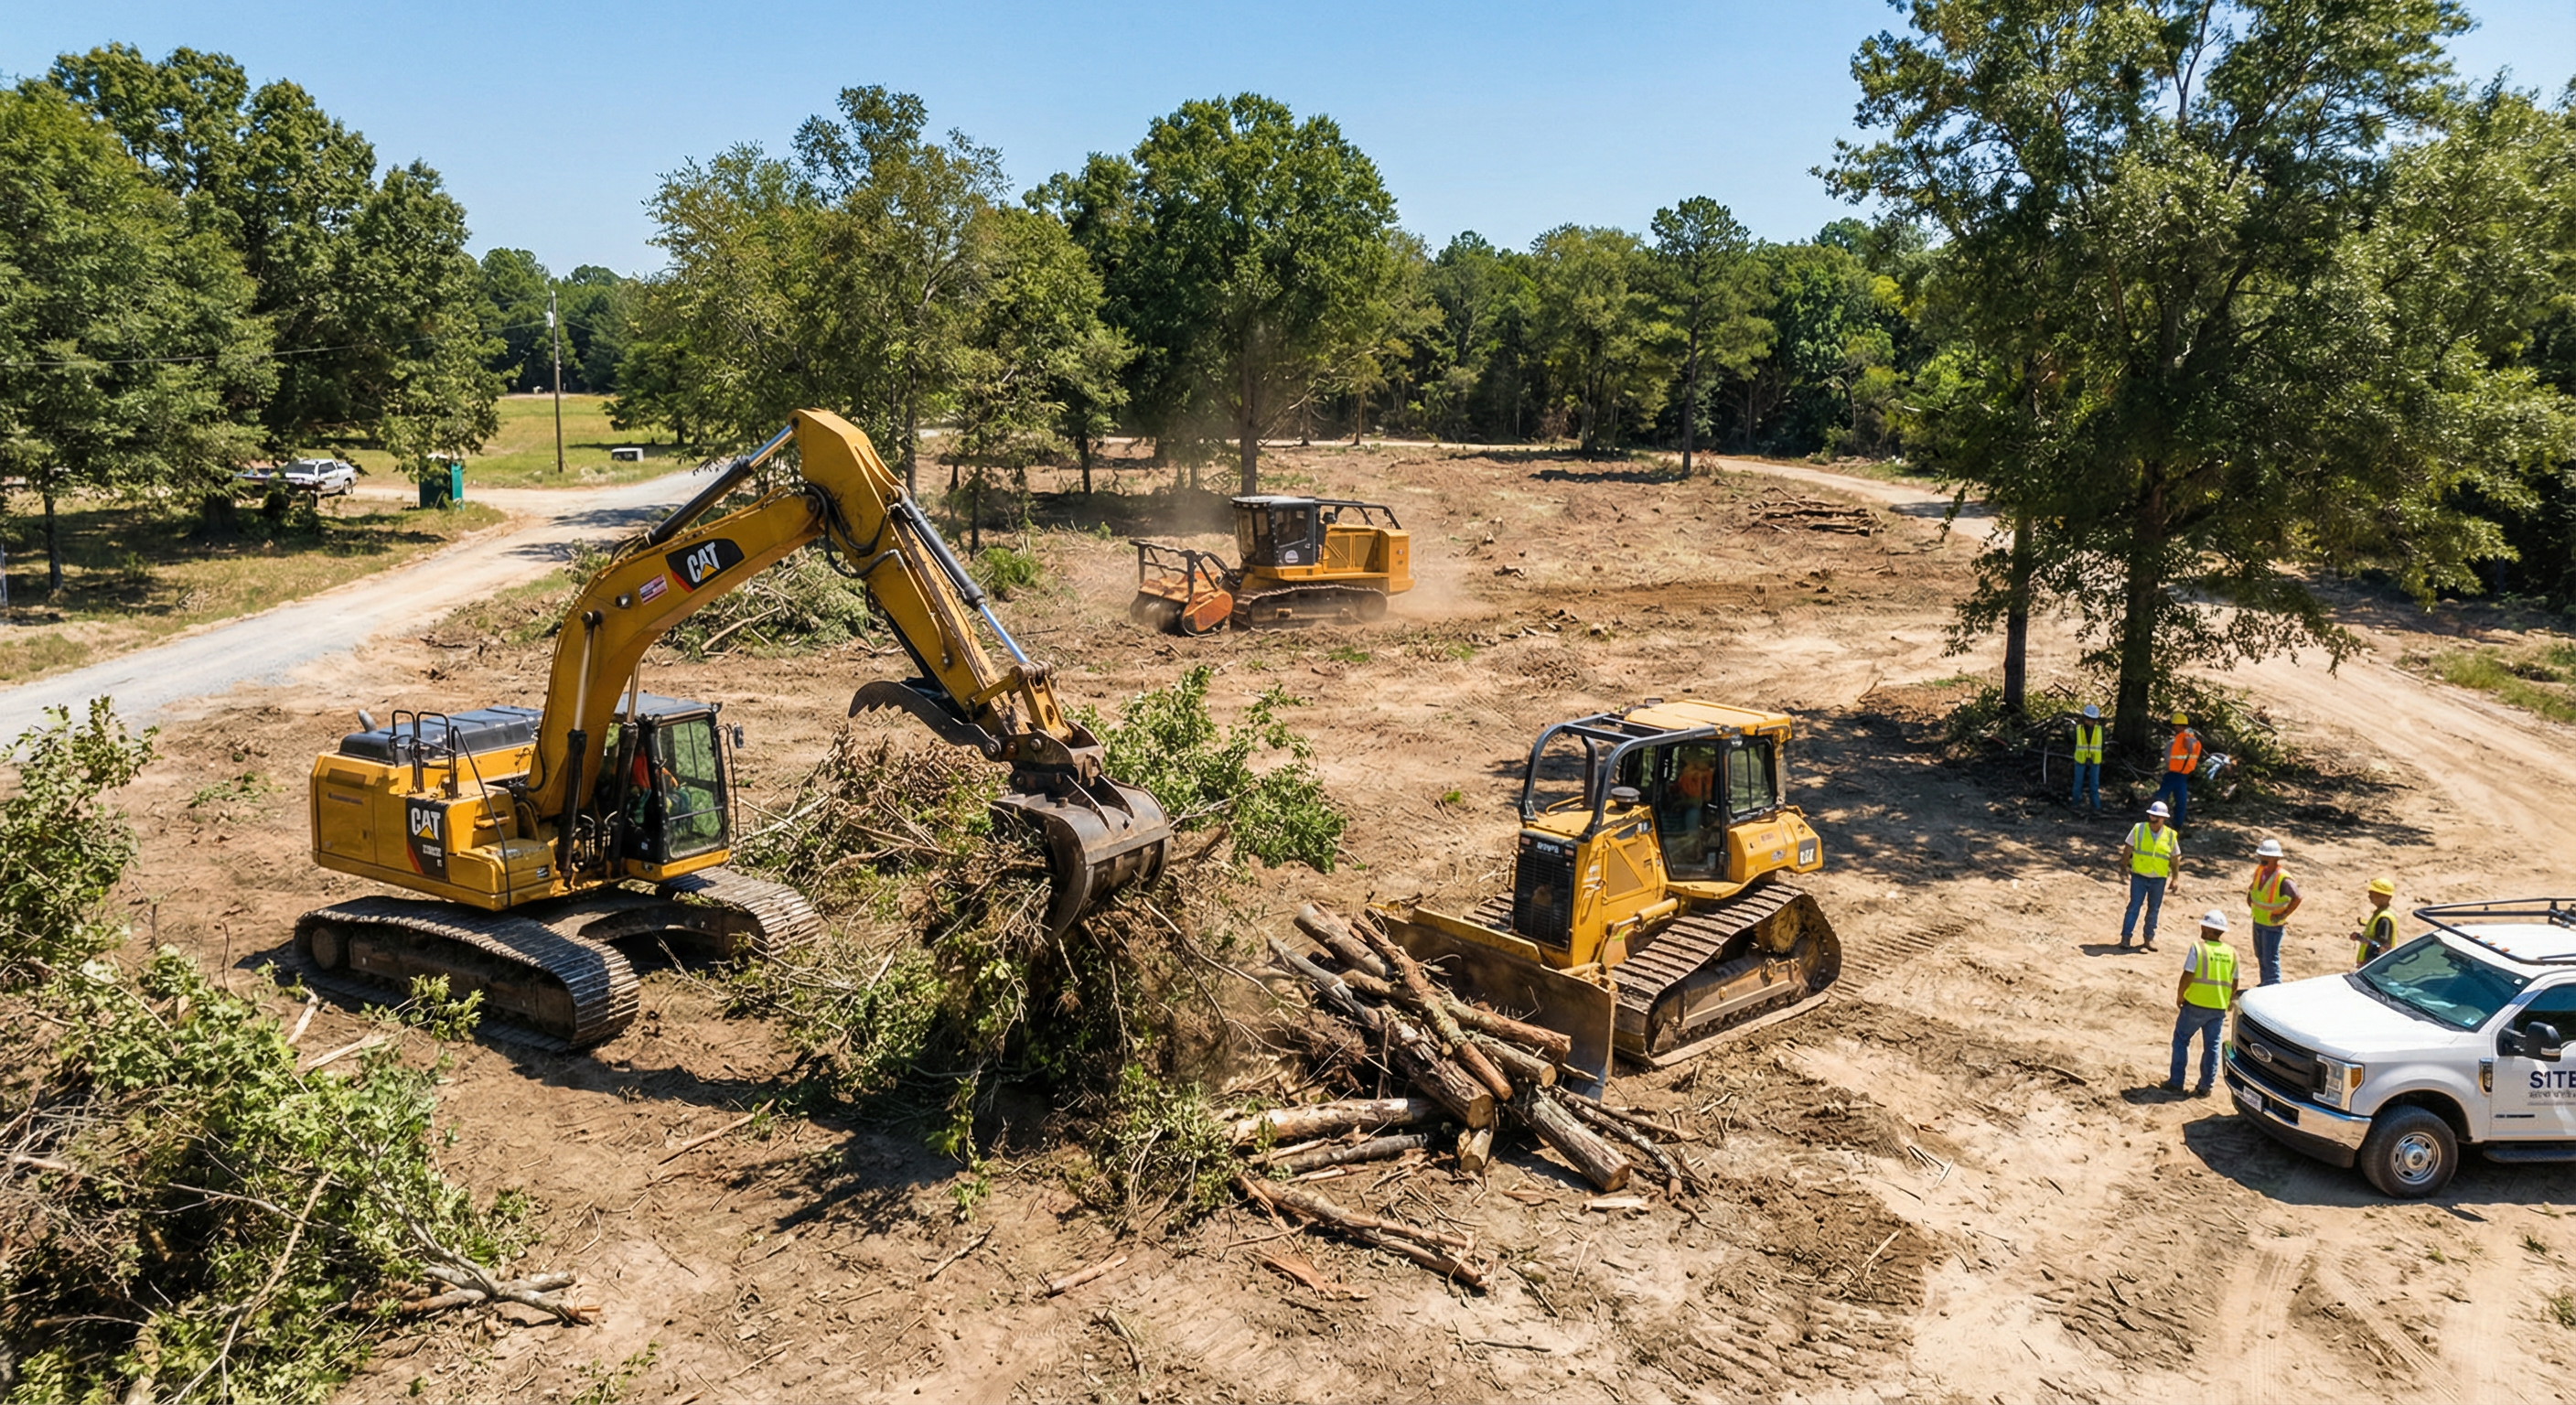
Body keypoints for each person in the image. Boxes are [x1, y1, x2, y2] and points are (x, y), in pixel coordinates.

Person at [2167, 910, 2242, 1095]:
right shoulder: (2231, 953)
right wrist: (2227, 1001)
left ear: (2208, 929)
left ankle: (2176, 1082)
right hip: (2217, 1007)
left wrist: (2180, 995)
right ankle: (2205, 1087)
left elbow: (2188, 974)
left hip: (2195, 1004)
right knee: (2212, 1047)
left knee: (2181, 1040)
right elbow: (2235, 982)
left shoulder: (2198, 948)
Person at [2118, 801, 2183, 951]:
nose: (2154, 819)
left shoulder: (2170, 835)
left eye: (2158, 817)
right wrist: (2123, 866)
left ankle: (2148, 939)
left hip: (2158, 878)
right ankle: (2126, 937)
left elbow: (2175, 858)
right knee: (2134, 907)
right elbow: (2128, 849)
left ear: (2163, 818)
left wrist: (2175, 878)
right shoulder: (2139, 829)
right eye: (2153, 815)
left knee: (2154, 909)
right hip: (2139, 875)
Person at [2244, 838, 2302, 986]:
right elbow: (2254, 888)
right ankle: (2265, 983)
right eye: (2261, 856)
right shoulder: (2260, 871)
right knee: (2261, 956)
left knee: (2270, 958)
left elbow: (2297, 897)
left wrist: (2284, 915)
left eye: (2266, 856)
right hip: (2258, 920)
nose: (2262, 859)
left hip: (2272, 924)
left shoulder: (2283, 878)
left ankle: (2272, 986)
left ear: (2275, 858)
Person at [2157, 713, 2204, 826]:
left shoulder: (2182, 739)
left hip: (2173, 773)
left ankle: (2154, 821)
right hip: (2183, 775)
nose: (2174, 728)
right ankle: (2177, 825)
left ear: (2177, 725)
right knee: (2181, 802)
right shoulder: (2196, 741)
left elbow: (2171, 756)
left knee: (2159, 798)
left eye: (2174, 726)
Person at [2353, 875, 2399, 966]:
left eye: (2373, 894)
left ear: (2384, 897)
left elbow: (2382, 946)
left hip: (2375, 964)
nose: (2370, 897)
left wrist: (2359, 938)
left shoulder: (2384, 918)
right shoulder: (2381, 913)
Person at [2069, 704, 2105, 812]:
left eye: (2093, 720)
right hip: (2080, 759)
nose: (2090, 722)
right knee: (2078, 783)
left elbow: (2103, 744)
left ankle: (2096, 807)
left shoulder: (2100, 730)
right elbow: (2071, 740)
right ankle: (2075, 805)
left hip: (2095, 760)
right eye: (2088, 719)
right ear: (2084, 718)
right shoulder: (2077, 729)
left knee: (2094, 785)